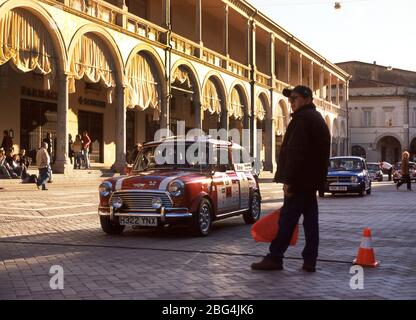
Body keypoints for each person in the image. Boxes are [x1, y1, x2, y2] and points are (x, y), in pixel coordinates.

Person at [252, 85, 330, 272]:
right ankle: (310, 260)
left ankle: (275, 257)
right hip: (310, 182)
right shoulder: (317, 119)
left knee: (287, 220)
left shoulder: (302, 120)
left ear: (307, 98)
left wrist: (289, 181)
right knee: (311, 223)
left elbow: (296, 153)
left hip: (300, 181)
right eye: (290, 98)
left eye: (294, 98)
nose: (290, 102)